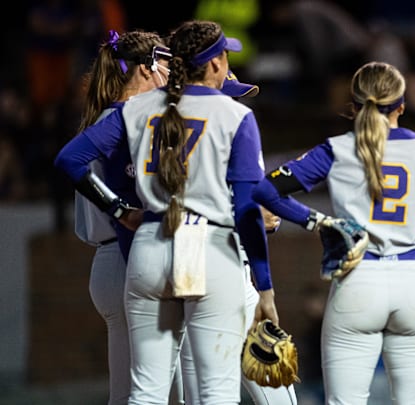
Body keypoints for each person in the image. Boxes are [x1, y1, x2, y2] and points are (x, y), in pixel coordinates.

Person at [252, 61, 415, 404]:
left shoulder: (337, 148)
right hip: (413, 280)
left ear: (353, 105)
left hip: (358, 279)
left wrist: (317, 221)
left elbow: (265, 191)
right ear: (402, 105)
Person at [54, 20, 279, 404]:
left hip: (140, 249)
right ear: (213, 65)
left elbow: (70, 159)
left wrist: (120, 210)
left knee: (141, 394)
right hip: (193, 243)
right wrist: (265, 284)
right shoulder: (224, 114)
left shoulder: (128, 112)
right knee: (212, 390)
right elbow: (240, 204)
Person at [179, 71, 297, 405]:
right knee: (273, 396)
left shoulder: (168, 127)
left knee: (203, 395)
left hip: (185, 260)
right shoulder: (230, 128)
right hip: (226, 262)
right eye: (230, 95)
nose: (235, 102)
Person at [70, 28, 173, 405]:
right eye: (163, 63)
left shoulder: (101, 119)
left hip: (107, 261)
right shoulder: (126, 121)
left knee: (127, 394)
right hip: (131, 253)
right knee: (155, 391)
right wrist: (118, 208)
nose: (169, 72)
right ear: (145, 68)